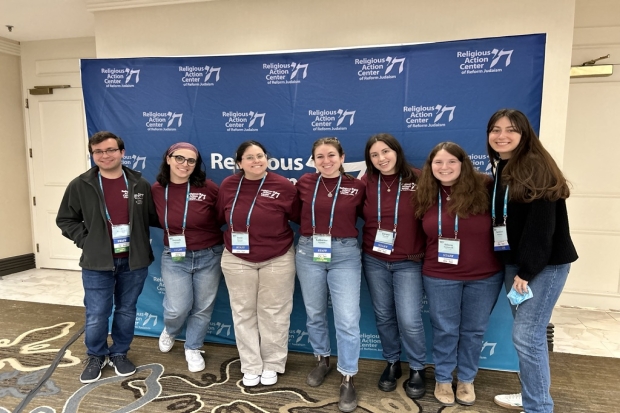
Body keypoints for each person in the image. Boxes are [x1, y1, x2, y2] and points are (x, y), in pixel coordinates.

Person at [487, 109, 578, 413]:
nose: (502, 135)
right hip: (518, 263)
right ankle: (531, 396)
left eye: (511, 130)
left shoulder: (535, 167)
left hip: (543, 265)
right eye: (496, 129)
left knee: (527, 335)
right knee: (528, 336)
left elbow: (542, 228)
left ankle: (539, 407)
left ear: (525, 134)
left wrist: (526, 271)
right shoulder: (505, 165)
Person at [56, 131, 158, 383]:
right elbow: (65, 219)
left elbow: (151, 218)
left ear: (122, 153)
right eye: (98, 151)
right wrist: (88, 240)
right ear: (93, 155)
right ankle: (96, 355)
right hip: (97, 262)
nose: (105, 155)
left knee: (126, 310)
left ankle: (120, 353)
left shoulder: (139, 184)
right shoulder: (80, 184)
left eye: (110, 150)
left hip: (133, 261)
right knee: (97, 313)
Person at [415, 142, 503, 406]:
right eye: (438, 162)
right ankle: (443, 378)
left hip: (484, 275)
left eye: (451, 161)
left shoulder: (485, 186)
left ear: (463, 163)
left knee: (474, 331)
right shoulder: (425, 193)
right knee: (445, 330)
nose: (445, 167)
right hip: (439, 274)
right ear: (430, 167)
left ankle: (466, 379)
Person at [216, 140, 299, 387]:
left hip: (278, 257)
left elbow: (296, 216)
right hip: (237, 258)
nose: (256, 161)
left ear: (267, 158)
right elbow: (221, 215)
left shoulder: (283, 185)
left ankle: (272, 364)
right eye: (249, 157)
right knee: (243, 313)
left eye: (260, 156)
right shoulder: (229, 184)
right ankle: (250, 365)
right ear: (239, 163)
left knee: (274, 314)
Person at [294, 137, 365, 413]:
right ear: (313, 160)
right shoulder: (304, 183)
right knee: (314, 312)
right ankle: (322, 359)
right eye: (320, 157)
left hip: (345, 253)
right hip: (309, 250)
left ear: (342, 156)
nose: (326, 161)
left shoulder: (356, 186)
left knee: (347, 318)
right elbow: (294, 214)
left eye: (332, 155)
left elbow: (365, 217)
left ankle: (348, 376)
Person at [361, 133, 427, 399]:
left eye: (386, 152)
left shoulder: (419, 178)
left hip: (408, 262)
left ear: (397, 152)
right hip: (374, 259)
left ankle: (418, 368)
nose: (381, 159)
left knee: (410, 320)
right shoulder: (366, 181)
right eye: (375, 155)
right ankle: (392, 362)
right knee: (384, 316)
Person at [151, 142, 224, 372]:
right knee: (177, 308)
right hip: (174, 256)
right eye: (180, 158)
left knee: (203, 307)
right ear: (169, 159)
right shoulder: (156, 189)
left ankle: (193, 347)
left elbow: (222, 216)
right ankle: (171, 330)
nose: (185, 164)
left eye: (191, 161)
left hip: (209, 254)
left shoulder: (209, 187)